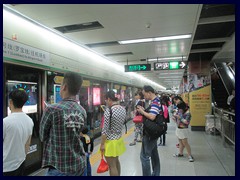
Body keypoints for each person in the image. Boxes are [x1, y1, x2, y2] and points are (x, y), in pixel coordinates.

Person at [40, 72, 87, 176]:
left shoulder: (51, 109)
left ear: (64, 87)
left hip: (60, 167)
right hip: (80, 165)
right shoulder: (82, 111)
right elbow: (78, 132)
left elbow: (42, 136)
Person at [3, 89, 34, 176]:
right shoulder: (29, 121)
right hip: (21, 162)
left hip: (5, 166)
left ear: (11, 102)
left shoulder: (5, 122)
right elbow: (27, 144)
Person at [100, 90, 127, 176]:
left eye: (106, 100)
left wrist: (102, 144)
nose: (106, 102)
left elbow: (105, 130)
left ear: (109, 99)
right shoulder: (122, 109)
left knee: (112, 166)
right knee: (116, 162)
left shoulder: (109, 111)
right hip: (118, 139)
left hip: (110, 142)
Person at [136, 85, 161, 176]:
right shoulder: (157, 101)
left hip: (150, 133)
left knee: (144, 157)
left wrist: (142, 112)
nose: (144, 96)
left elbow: (152, 116)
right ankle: (156, 174)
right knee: (154, 155)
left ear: (149, 93)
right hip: (154, 132)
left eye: (144, 94)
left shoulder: (155, 102)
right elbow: (152, 113)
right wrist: (144, 110)